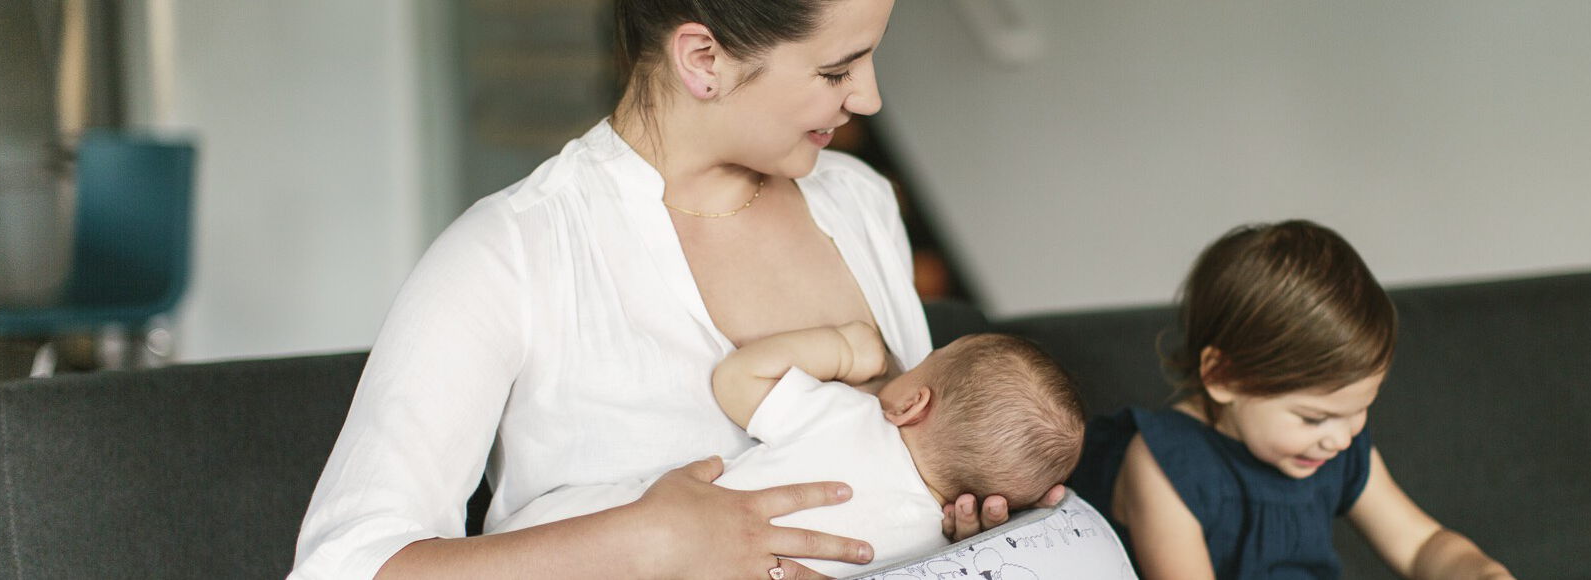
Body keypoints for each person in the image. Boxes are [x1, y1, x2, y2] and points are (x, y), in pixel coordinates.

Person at [291, 1, 1055, 578]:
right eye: (836, 70)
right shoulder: (511, 253)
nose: (869, 99)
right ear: (702, 58)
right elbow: (343, 565)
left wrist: (947, 524)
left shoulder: (859, 202)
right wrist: (645, 543)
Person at [1068, 221, 1514, 580]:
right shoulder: (1163, 465)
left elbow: (1419, 545)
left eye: (1360, 410)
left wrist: (1479, 571)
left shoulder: (1336, 449)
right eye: (1314, 418)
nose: (1340, 438)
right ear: (1223, 376)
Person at [500, 323, 1086, 577]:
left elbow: (737, 379)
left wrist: (843, 349)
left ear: (913, 403)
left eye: (927, 359)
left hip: (609, 541)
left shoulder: (852, 418)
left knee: (566, 529)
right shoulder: (934, 548)